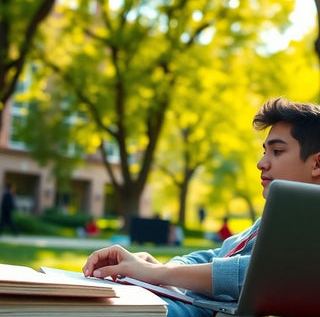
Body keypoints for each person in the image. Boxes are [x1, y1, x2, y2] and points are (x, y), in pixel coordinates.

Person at [82, 97, 320, 317]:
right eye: (265, 151)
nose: (261, 163)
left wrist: (158, 274)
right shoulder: (280, 216)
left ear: (317, 162)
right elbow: (218, 255)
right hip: (191, 303)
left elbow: (258, 274)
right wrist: (160, 267)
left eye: (277, 151)